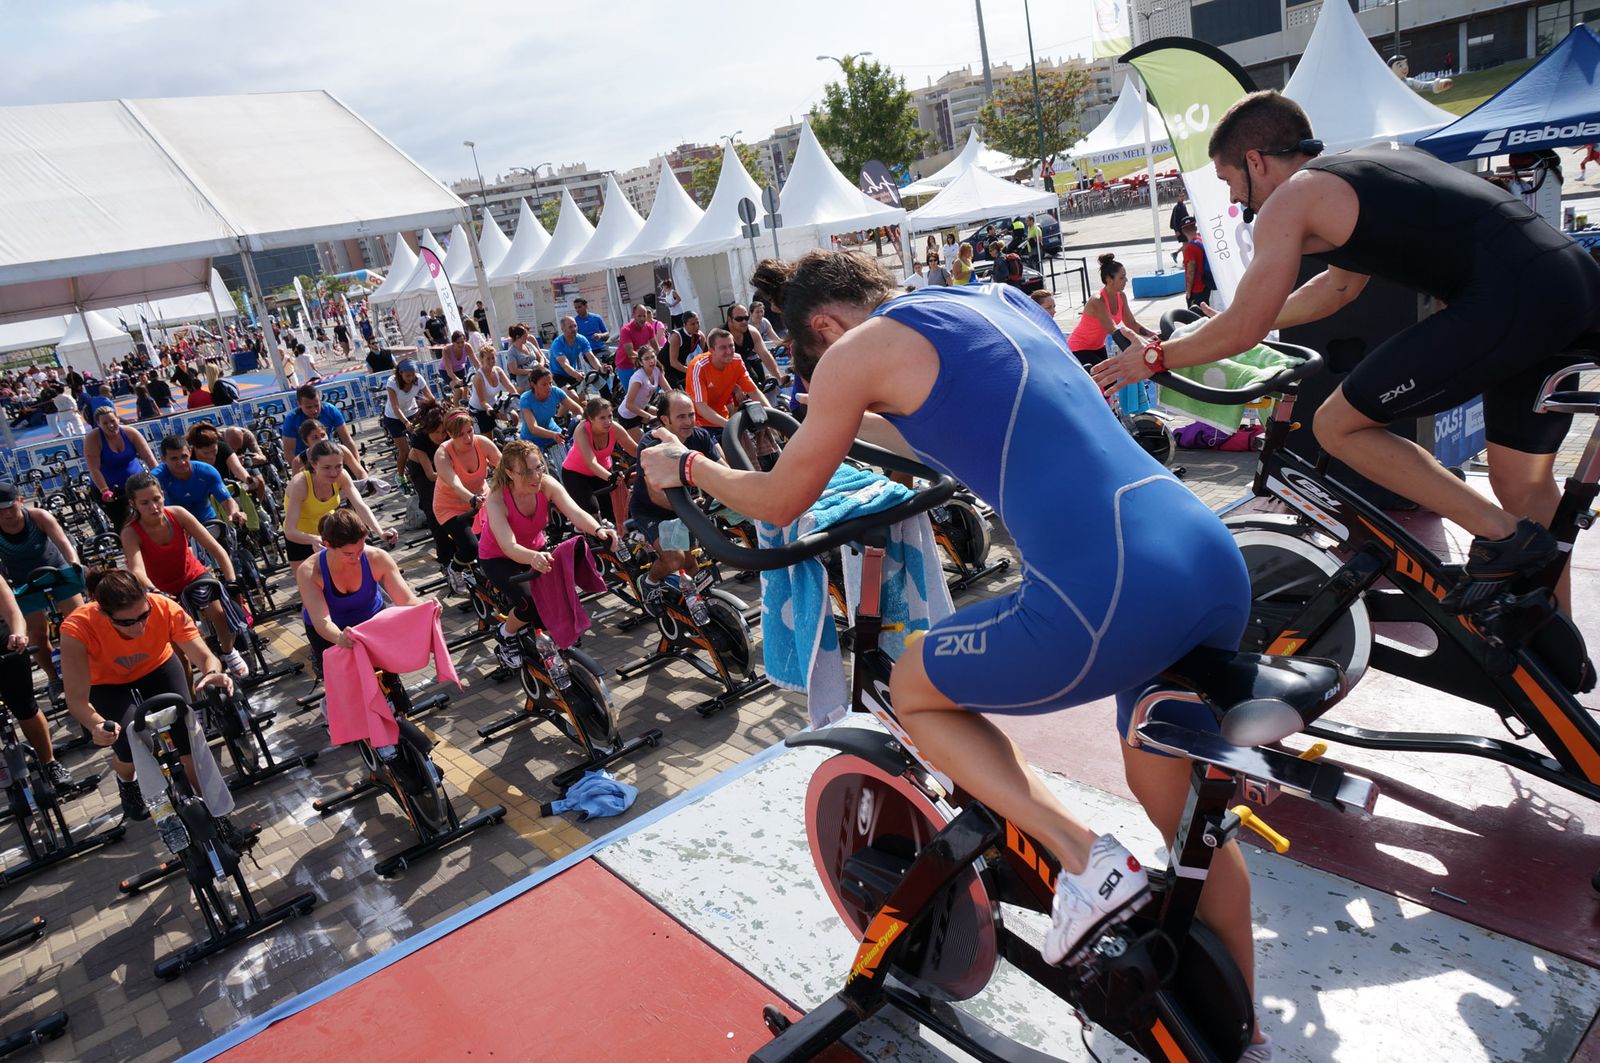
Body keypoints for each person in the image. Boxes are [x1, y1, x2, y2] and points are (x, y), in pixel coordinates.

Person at [643, 251, 1267, 1055]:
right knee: (1188, 827)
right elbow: (954, 424)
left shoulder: (856, 351)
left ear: (826, 329)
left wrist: (687, 465)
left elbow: (781, 498)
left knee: (915, 685)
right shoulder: (997, 296)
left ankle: (1086, 862)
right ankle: (1241, 1039)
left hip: (1107, 590)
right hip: (1203, 554)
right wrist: (819, 429)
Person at [1093, 90, 1600, 613]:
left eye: (1227, 182)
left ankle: (1501, 537)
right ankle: (1555, 644)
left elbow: (1246, 329)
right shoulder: (1357, 173)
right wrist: (1228, 322)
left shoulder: (1292, 199)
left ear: (1254, 161)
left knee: (1336, 425)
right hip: (1569, 284)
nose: (1233, 202)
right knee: (1523, 484)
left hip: (1508, 298)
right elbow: (1334, 291)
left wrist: (1155, 357)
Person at [60, 570, 238, 826]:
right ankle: (127, 782)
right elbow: (76, 699)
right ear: (103, 613)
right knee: (132, 746)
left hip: (158, 667)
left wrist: (212, 673)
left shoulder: (164, 606)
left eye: (143, 616)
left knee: (187, 740)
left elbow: (204, 656)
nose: (139, 626)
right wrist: (96, 724)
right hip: (107, 684)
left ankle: (217, 818)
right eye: (126, 622)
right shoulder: (77, 627)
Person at [479, 440, 620, 668]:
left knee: (554, 598)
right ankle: (505, 633)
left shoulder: (546, 484)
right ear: (510, 473)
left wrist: (598, 529)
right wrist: (533, 558)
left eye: (539, 468)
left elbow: (574, 511)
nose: (535, 476)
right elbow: (508, 546)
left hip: (535, 549)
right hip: (498, 557)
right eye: (526, 471)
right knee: (530, 603)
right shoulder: (496, 500)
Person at [119, 473, 249, 679]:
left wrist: (232, 580)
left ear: (162, 495)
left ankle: (227, 651)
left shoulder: (178, 514)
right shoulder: (130, 532)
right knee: (178, 649)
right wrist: (155, 592)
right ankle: (191, 698)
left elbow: (215, 548)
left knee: (220, 612)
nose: (153, 507)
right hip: (162, 589)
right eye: (144, 503)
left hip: (192, 576)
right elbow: (137, 570)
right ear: (133, 503)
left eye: (156, 499)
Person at [296, 510, 419, 699]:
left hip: (370, 621)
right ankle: (331, 704)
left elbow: (406, 600)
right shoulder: (310, 571)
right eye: (348, 554)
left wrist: (426, 608)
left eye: (360, 550)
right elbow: (322, 620)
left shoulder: (377, 558)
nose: (356, 558)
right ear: (327, 545)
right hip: (331, 630)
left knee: (387, 677)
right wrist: (339, 638)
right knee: (348, 689)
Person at [630, 390, 724, 615]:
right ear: (665, 420)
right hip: (651, 511)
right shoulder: (650, 444)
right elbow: (656, 496)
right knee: (674, 560)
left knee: (692, 566)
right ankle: (649, 582)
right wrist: (692, 507)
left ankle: (691, 604)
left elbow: (724, 469)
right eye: (681, 417)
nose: (689, 421)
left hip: (684, 508)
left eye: (691, 415)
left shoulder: (699, 436)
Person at [0, 482, 84, 704]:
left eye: (10, 506)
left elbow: (64, 543)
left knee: (81, 621)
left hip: (57, 573)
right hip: (23, 583)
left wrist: (74, 564)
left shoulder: (38, 517)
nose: (7, 513)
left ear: (20, 501)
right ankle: (54, 677)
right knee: (37, 634)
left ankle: (92, 664)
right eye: (0, 509)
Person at [0, 574, 72, 788]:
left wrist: (19, 634)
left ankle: (49, 762)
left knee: (25, 707)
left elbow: (13, 612)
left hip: (5, 645)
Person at [282, 439, 395, 569]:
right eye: (326, 468)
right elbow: (290, 531)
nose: (334, 473)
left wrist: (380, 532)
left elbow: (360, 506)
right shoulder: (300, 484)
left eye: (338, 466)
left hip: (328, 532)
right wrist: (313, 539)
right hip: (300, 538)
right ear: (314, 465)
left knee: (354, 573)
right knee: (310, 585)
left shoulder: (342, 476)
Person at [433, 410, 502, 592]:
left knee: (494, 542)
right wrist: (471, 499)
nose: (468, 438)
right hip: (450, 507)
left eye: (470, 431)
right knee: (471, 547)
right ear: (450, 435)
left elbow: (503, 465)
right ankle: (455, 569)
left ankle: (490, 577)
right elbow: (455, 484)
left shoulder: (483, 443)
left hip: (481, 500)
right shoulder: (442, 454)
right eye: (461, 435)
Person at [1065, 253, 1157, 369]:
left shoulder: (1121, 296)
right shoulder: (1097, 300)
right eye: (1122, 277)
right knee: (1107, 382)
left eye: (1125, 276)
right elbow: (1113, 329)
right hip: (1078, 348)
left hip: (1098, 347)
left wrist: (1154, 335)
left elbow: (1131, 323)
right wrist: (1142, 342)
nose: (1126, 280)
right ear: (1109, 280)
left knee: (1108, 383)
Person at [560, 396, 636, 522]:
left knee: (614, 513)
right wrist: (610, 477)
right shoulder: (582, 429)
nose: (608, 422)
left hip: (602, 472)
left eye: (610, 416)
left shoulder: (614, 428)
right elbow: (591, 463)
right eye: (602, 418)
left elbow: (634, 450)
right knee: (592, 510)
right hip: (576, 474)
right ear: (591, 419)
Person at [687, 327, 771, 433]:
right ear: (711, 350)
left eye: (731, 346)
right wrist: (729, 425)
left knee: (753, 429)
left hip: (722, 416)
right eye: (722, 347)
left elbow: (753, 392)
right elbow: (701, 406)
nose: (729, 351)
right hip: (699, 422)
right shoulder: (698, 366)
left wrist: (773, 416)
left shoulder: (736, 360)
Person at [84, 406, 157, 529]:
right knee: (124, 523)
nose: (110, 425)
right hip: (111, 491)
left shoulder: (130, 433)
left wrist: (159, 478)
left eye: (113, 421)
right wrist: (104, 490)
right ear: (98, 424)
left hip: (136, 485)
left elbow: (149, 458)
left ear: (118, 419)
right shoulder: (93, 439)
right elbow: (94, 469)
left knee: (150, 515)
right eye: (105, 423)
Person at [404, 405, 454, 576]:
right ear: (428, 430)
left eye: (444, 432)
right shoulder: (418, 437)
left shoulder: (450, 433)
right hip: (423, 472)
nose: (441, 437)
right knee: (435, 512)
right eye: (436, 433)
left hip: (444, 468)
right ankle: (445, 560)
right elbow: (431, 475)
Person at [154, 436, 245, 526]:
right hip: (176, 526)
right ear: (163, 459)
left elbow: (227, 500)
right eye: (174, 458)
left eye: (184, 456)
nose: (181, 462)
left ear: (190, 452)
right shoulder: (155, 479)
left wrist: (234, 513)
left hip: (208, 521)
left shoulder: (206, 471)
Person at [280, 384, 362, 470]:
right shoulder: (291, 419)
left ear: (320, 400)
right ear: (299, 404)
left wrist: (358, 467)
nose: (314, 410)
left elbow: (347, 440)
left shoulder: (330, 410)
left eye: (316, 405)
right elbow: (289, 452)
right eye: (309, 407)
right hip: (305, 459)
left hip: (327, 452)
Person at [518, 366, 583, 469]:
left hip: (553, 430)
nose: (549, 387)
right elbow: (533, 428)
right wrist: (553, 435)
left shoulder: (555, 391)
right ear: (533, 385)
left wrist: (583, 420)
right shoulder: (525, 399)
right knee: (539, 470)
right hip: (532, 438)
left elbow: (577, 409)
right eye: (544, 384)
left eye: (550, 383)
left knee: (571, 460)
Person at [382, 359, 436, 479]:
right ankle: (400, 476)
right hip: (394, 417)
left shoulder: (418, 379)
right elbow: (395, 406)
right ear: (400, 373)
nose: (411, 378)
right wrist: (406, 422)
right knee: (404, 451)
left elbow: (431, 398)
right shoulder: (392, 382)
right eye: (407, 376)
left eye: (412, 375)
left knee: (424, 444)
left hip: (412, 412)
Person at [726, 303, 783, 386]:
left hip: (750, 357)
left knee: (763, 381)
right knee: (753, 380)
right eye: (739, 319)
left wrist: (779, 377)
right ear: (730, 320)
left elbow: (765, 355)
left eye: (746, 318)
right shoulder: (722, 335)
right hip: (727, 365)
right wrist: (736, 388)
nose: (744, 321)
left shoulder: (753, 332)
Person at [616, 347, 664, 440]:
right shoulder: (638, 378)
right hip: (627, 416)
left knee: (665, 416)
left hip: (641, 408)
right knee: (643, 446)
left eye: (653, 357)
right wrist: (649, 416)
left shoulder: (657, 370)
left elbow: (669, 391)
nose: (651, 361)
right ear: (641, 362)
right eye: (647, 358)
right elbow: (629, 404)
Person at [468, 343, 515, 435]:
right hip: (480, 409)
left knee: (514, 417)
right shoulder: (478, 377)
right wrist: (489, 408)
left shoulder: (498, 371)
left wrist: (517, 396)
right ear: (482, 359)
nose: (491, 361)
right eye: (488, 359)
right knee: (489, 437)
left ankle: (506, 439)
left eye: (493, 358)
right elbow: (482, 401)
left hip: (493, 404)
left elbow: (509, 386)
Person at [615, 303, 660, 392]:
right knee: (633, 396)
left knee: (655, 390)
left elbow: (656, 347)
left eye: (644, 316)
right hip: (626, 366)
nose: (642, 319)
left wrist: (657, 356)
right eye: (639, 316)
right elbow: (630, 353)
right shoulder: (626, 330)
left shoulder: (648, 327)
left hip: (642, 363)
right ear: (633, 315)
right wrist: (647, 359)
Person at [549, 316, 601, 387]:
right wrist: (576, 375)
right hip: (558, 375)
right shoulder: (557, 344)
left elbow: (591, 358)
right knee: (573, 395)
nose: (574, 329)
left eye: (575, 326)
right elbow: (565, 364)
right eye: (570, 327)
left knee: (581, 396)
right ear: (563, 329)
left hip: (572, 372)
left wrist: (601, 369)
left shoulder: (581, 339)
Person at [663, 311, 705, 390]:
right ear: (684, 325)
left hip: (681, 366)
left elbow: (703, 356)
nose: (696, 326)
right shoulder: (676, 336)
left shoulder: (701, 336)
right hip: (666, 368)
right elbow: (673, 362)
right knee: (678, 394)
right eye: (692, 324)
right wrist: (691, 370)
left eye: (697, 322)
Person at [1180, 218, 1214, 309]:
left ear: (1183, 231)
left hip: (1196, 288)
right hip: (1205, 284)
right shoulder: (1201, 241)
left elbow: (1191, 271)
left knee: (1196, 317)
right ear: (1195, 228)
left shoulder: (1190, 247)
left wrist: (1188, 291)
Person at [504, 323, 546, 392]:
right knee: (537, 386)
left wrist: (541, 365)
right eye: (525, 335)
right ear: (517, 337)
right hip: (525, 376)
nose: (527, 337)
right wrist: (531, 371)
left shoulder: (528, 344)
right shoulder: (511, 351)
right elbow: (513, 370)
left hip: (538, 370)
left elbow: (540, 357)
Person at [440, 330, 476, 401]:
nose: (461, 345)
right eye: (458, 343)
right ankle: (456, 410)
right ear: (453, 343)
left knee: (466, 391)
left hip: (460, 369)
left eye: (462, 342)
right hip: (446, 371)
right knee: (459, 390)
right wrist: (457, 380)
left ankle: (465, 406)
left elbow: (476, 362)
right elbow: (449, 372)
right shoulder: (446, 350)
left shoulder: (467, 347)